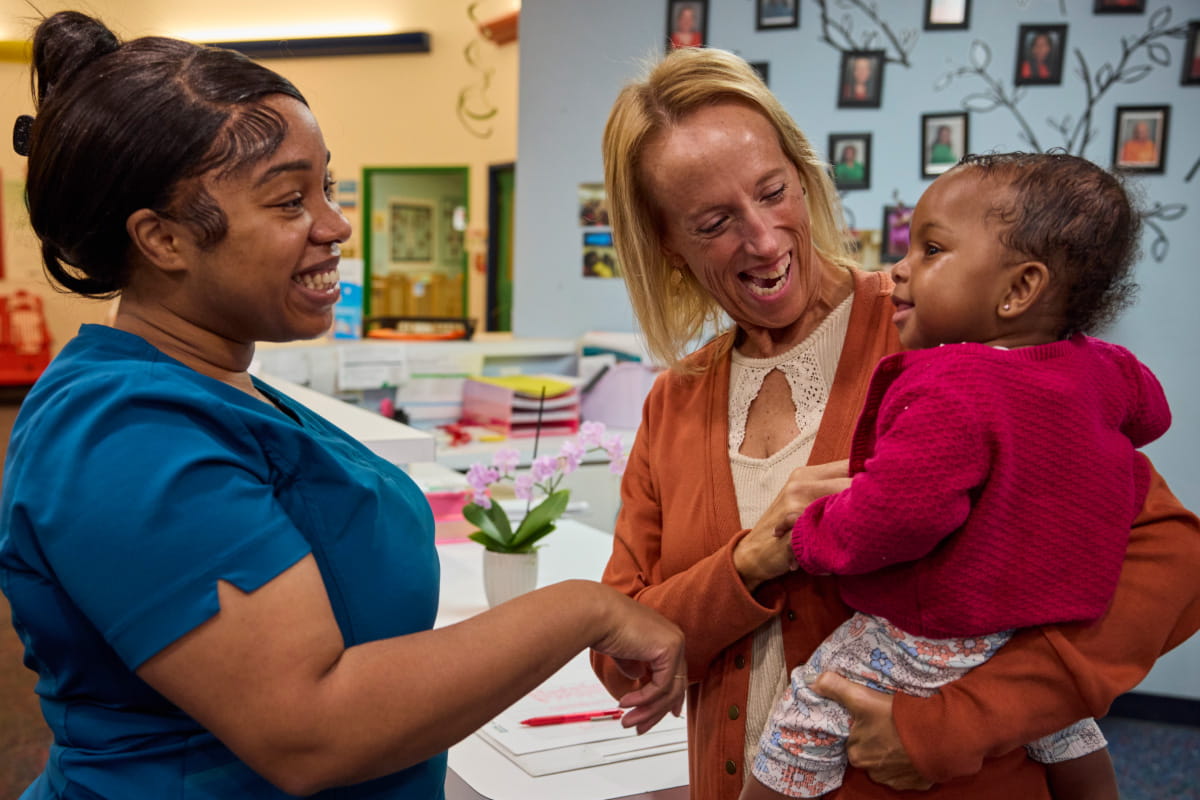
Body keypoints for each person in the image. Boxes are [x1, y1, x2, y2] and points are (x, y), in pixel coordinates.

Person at [0, 12, 686, 799]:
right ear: (163, 239)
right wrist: (584, 612)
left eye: (325, 185)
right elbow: (309, 730)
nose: (336, 224)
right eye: (290, 201)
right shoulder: (125, 436)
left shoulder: (221, 387)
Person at [589, 46, 1200, 800]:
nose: (765, 238)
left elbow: (1169, 558)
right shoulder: (674, 402)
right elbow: (621, 656)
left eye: (773, 191)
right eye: (714, 223)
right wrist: (749, 562)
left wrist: (957, 722)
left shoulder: (950, 335)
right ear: (667, 247)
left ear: (805, 175)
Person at [742, 152, 1165, 800]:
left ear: (1019, 289)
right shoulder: (1104, 368)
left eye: (931, 250)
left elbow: (900, 513)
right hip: (1041, 629)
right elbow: (1152, 412)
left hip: (936, 631)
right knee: (1066, 726)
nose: (899, 269)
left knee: (808, 710)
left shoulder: (952, 387)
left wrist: (811, 537)